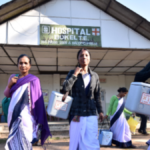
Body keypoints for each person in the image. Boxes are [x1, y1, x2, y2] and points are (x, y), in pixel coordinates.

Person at [4, 54, 51, 150]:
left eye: (26, 63)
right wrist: (9, 85)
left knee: (26, 140)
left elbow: (38, 101)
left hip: (27, 116)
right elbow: (7, 94)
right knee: (14, 141)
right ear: (17, 65)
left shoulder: (34, 80)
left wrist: (38, 118)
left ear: (30, 66)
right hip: (13, 114)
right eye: (20, 63)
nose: (23, 65)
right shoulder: (13, 78)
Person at [63, 48, 104, 150]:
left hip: (91, 113)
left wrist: (101, 111)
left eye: (86, 55)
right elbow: (65, 88)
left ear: (89, 58)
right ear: (78, 58)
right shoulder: (72, 72)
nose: (84, 57)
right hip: (76, 113)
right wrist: (75, 75)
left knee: (92, 140)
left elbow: (97, 95)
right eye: (81, 55)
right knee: (75, 141)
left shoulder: (95, 76)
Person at [134, 62, 150, 135]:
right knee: (143, 117)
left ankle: (141, 129)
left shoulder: (139, 91)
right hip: (139, 77)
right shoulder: (140, 91)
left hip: (139, 77)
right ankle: (142, 130)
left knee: (146, 70)